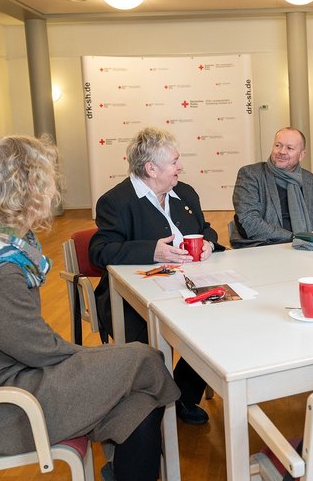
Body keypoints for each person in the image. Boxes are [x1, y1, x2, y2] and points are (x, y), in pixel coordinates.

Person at [0, 136, 179, 481]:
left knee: (138, 401)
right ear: (29, 189)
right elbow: (38, 349)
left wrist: (101, 366)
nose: (54, 187)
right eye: (47, 178)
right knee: (144, 358)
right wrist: (100, 363)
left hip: (11, 381)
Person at [90, 127, 223, 425]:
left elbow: (207, 229)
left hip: (188, 287)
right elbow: (100, 252)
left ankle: (182, 397)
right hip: (132, 299)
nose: (180, 167)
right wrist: (152, 251)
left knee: (217, 324)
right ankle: (149, 412)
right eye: (175, 161)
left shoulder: (185, 192)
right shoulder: (116, 201)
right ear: (151, 168)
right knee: (149, 348)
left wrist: (208, 244)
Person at [231, 126, 313, 248]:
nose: (282, 152)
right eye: (278, 145)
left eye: (290, 148)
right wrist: (295, 238)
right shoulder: (251, 174)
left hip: (309, 248)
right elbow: (249, 221)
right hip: (263, 248)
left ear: (301, 155)